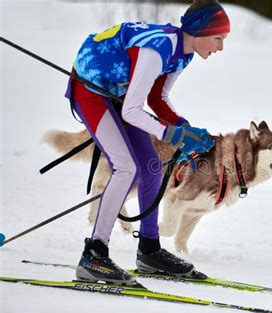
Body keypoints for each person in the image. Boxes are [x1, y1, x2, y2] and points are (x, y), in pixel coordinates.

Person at [66, 0, 230, 285]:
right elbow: (132, 110)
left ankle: (149, 251)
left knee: (152, 166)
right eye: (219, 38)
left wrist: (184, 128)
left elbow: (157, 98)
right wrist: (172, 135)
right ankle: (94, 253)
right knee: (126, 167)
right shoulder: (159, 49)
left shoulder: (184, 53)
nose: (221, 47)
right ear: (201, 31)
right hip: (91, 92)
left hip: (119, 94)